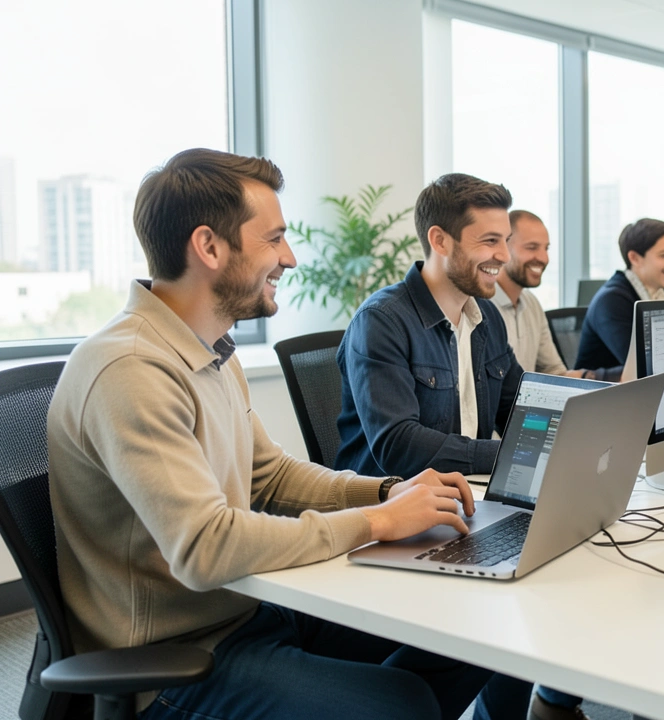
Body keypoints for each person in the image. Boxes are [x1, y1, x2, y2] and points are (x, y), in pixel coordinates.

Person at [47, 148, 515, 720]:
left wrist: (385, 492)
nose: (289, 258)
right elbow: (204, 548)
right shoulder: (132, 368)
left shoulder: (212, 351)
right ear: (209, 247)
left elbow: (268, 475)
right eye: (273, 239)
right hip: (179, 656)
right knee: (401, 705)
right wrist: (376, 523)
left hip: (254, 606)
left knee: (473, 632)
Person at [334, 173, 524, 479]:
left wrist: (563, 434)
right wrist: (512, 452)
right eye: (490, 241)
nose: (503, 255)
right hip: (392, 509)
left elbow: (519, 411)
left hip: (467, 494)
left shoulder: (486, 317)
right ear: (440, 241)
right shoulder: (382, 321)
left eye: (506, 241)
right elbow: (399, 446)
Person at [573, 218, 664, 377]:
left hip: (642, 393)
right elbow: (643, 366)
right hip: (602, 396)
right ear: (635, 258)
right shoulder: (611, 301)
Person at [490, 209, 588, 378]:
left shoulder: (532, 303)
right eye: (532, 247)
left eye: (546, 248)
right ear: (504, 248)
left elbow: (554, 372)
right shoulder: (481, 307)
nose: (544, 258)